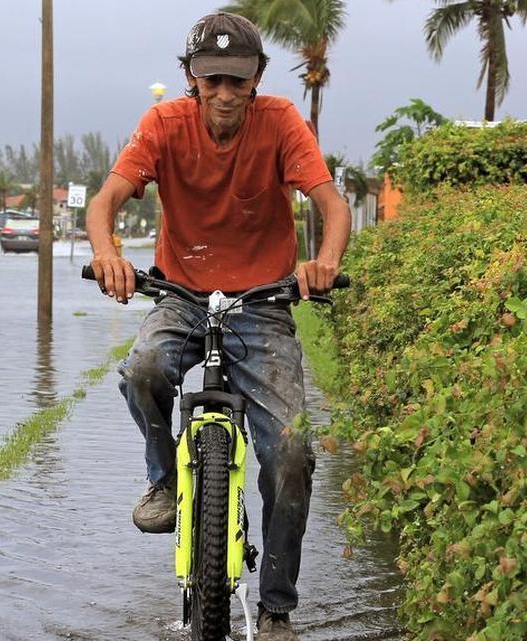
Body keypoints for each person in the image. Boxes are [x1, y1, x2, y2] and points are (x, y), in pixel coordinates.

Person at [84, 12, 351, 641]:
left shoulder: (282, 121)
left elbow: (332, 206)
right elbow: (104, 203)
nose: (225, 94)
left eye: (237, 80)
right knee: (143, 369)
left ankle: (277, 607)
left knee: (290, 454)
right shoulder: (163, 124)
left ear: (257, 77)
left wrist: (325, 262)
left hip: (261, 302)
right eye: (211, 81)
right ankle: (163, 481)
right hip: (182, 294)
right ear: (191, 80)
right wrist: (108, 254)